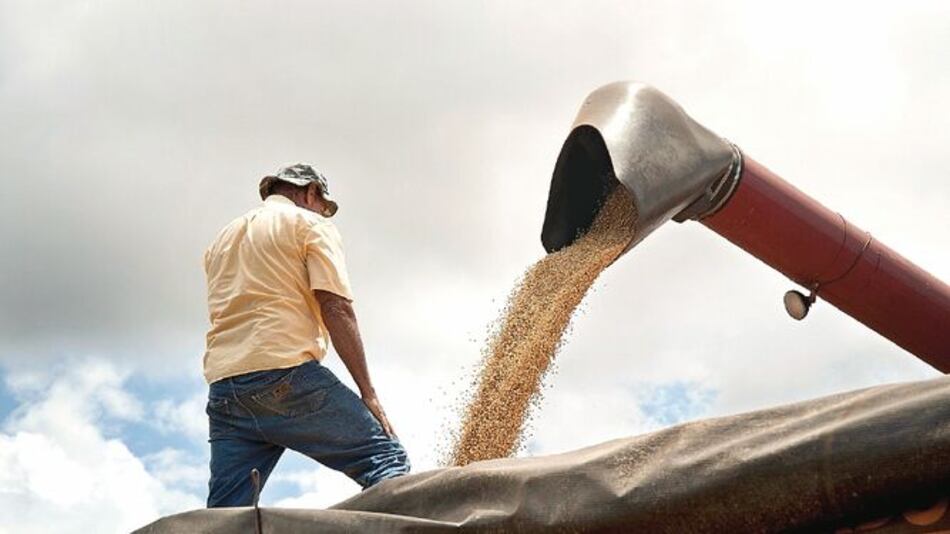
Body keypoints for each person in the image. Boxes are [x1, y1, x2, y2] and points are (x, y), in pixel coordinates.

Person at [201, 163, 409, 507]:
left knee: (224, 516)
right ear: (310, 192)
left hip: (226, 391)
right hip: (285, 376)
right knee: (387, 461)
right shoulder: (309, 224)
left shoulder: (222, 240)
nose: (322, 212)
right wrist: (368, 393)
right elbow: (336, 306)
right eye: (322, 204)